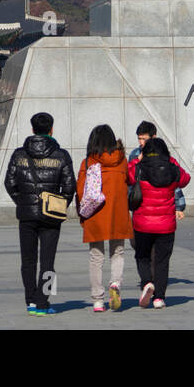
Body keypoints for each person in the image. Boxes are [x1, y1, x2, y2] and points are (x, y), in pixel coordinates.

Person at [4, 112, 76, 316]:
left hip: (26, 214)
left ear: (32, 129)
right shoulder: (61, 155)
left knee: (27, 260)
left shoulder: (19, 154)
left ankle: (31, 301)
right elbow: (70, 186)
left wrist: (24, 202)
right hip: (51, 216)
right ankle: (44, 302)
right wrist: (59, 204)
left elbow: (9, 183)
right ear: (51, 129)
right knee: (48, 261)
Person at [129, 137, 190, 309]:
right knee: (162, 261)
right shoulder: (171, 168)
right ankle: (159, 298)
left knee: (142, 256)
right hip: (166, 224)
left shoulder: (140, 168)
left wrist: (136, 160)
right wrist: (170, 161)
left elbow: (127, 175)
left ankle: (147, 282)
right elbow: (186, 179)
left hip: (142, 223)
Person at [76, 124, 132, 312]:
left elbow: (80, 191)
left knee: (96, 257)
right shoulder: (122, 161)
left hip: (96, 214)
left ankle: (98, 300)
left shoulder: (88, 162)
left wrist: (81, 214)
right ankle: (115, 283)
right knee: (118, 252)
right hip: (118, 213)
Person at [129, 121, 187, 220]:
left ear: (154, 137)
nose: (141, 142)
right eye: (139, 138)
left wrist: (179, 206)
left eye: (144, 139)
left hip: (162, 204)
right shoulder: (135, 154)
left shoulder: (163, 155)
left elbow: (174, 181)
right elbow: (130, 180)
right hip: (141, 205)